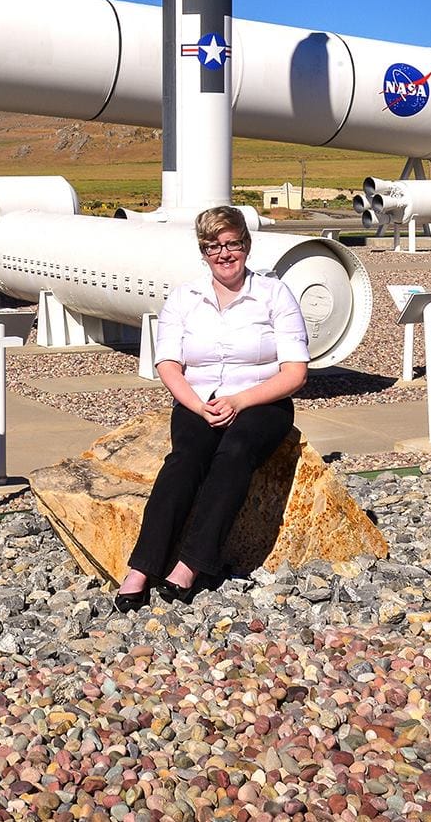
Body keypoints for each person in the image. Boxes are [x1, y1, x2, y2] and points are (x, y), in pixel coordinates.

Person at [115, 206, 308, 609]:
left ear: (246, 245)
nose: (224, 254)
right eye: (213, 246)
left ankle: (190, 565)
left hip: (260, 399)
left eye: (231, 243)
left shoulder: (274, 295)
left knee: (234, 455)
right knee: (185, 461)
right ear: (203, 252)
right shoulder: (186, 298)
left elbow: (294, 373)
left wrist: (239, 401)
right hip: (198, 399)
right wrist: (199, 408)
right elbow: (168, 364)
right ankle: (142, 567)